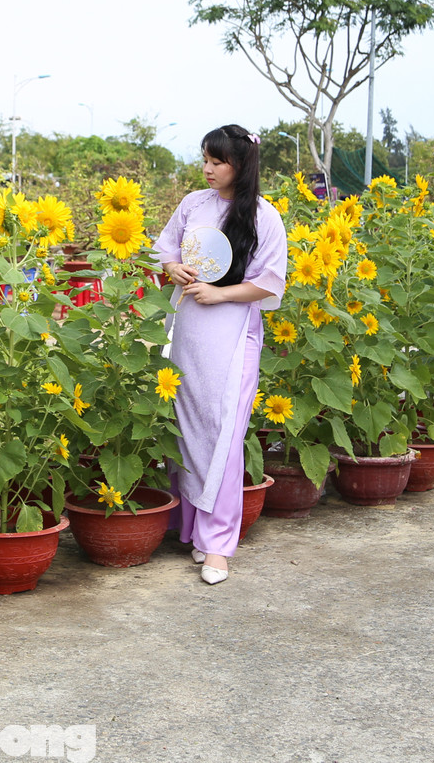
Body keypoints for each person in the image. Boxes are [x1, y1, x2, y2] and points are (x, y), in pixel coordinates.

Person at [153, 124, 286, 585]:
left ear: (241, 165)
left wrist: (222, 295)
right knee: (186, 429)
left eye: (218, 161)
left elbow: (270, 281)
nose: (208, 169)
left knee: (224, 434)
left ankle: (218, 546)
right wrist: (174, 269)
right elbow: (165, 249)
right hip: (188, 328)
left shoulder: (264, 217)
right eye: (205, 159)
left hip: (232, 333)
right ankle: (191, 530)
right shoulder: (193, 203)